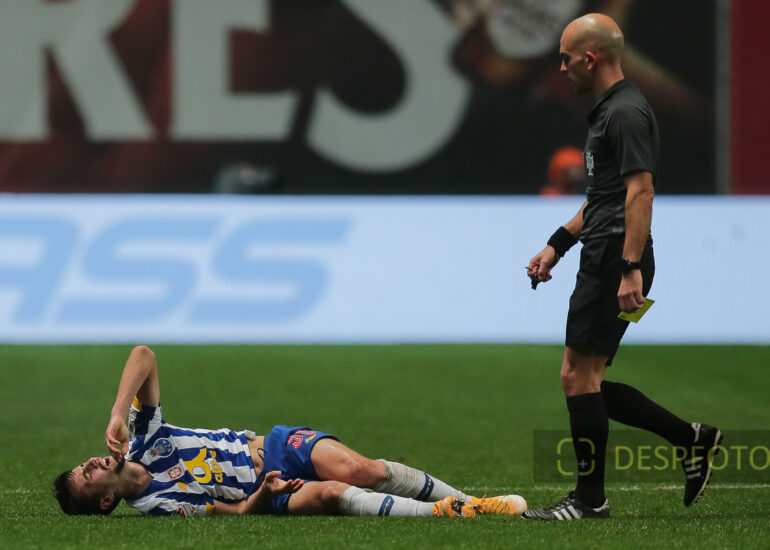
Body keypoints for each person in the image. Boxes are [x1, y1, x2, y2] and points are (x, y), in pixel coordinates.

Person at [524, 13, 721, 520]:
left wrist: (630, 267)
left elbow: (641, 191)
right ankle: (691, 439)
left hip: (615, 259)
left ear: (590, 59)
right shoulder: (610, 111)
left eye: (566, 58)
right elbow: (604, 197)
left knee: (577, 377)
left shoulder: (625, 112)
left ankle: (590, 500)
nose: (561, 68)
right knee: (584, 378)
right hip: (609, 253)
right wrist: (556, 245)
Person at [53, 345, 527, 519]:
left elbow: (144, 355)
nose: (90, 462)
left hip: (276, 445)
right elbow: (236, 512)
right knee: (333, 494)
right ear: (106, 500)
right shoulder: (159, 504)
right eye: (87, 476)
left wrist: (118, 411)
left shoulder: (143, 438)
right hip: (271, 491)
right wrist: (265, 492)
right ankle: (446, 512)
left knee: (362, 470)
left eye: (83, 464)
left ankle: (475, 501)